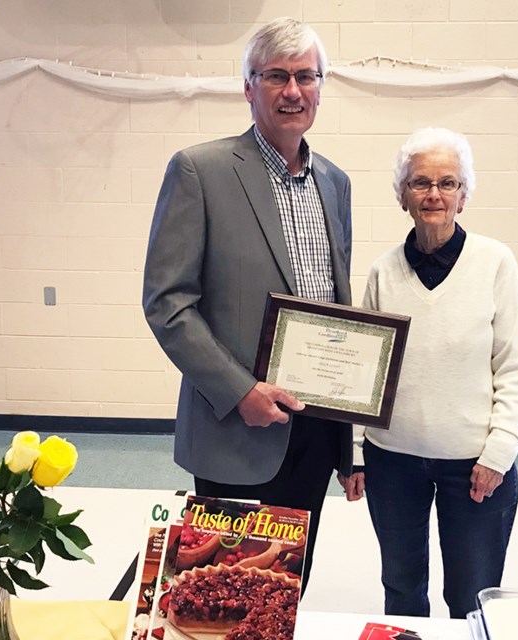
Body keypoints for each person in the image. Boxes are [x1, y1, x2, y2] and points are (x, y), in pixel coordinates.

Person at [142, 17, 353, 592]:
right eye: (277, 76)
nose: (293, 91)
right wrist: (241, 392)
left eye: (306, 76)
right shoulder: (199, 171)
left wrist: (348, 440)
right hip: (235, 428)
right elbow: (168, 303)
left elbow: (337, 307)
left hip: (312, 428)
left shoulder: (335, 183)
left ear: (320, 86)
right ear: (248, 86)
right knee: (225, 592)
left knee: (285, 592)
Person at [338, 126, 518, 619]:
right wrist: (358, 453)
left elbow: (514, 365)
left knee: (471, 597)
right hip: (392, 463)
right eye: (420, 182)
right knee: (402, 592)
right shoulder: (383, 272)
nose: (433, 194)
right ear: (402, 195)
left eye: (447, 183)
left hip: (473, 467)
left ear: (464, 196)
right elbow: (366, 371)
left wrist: (499, 452)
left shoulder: (495, 263)